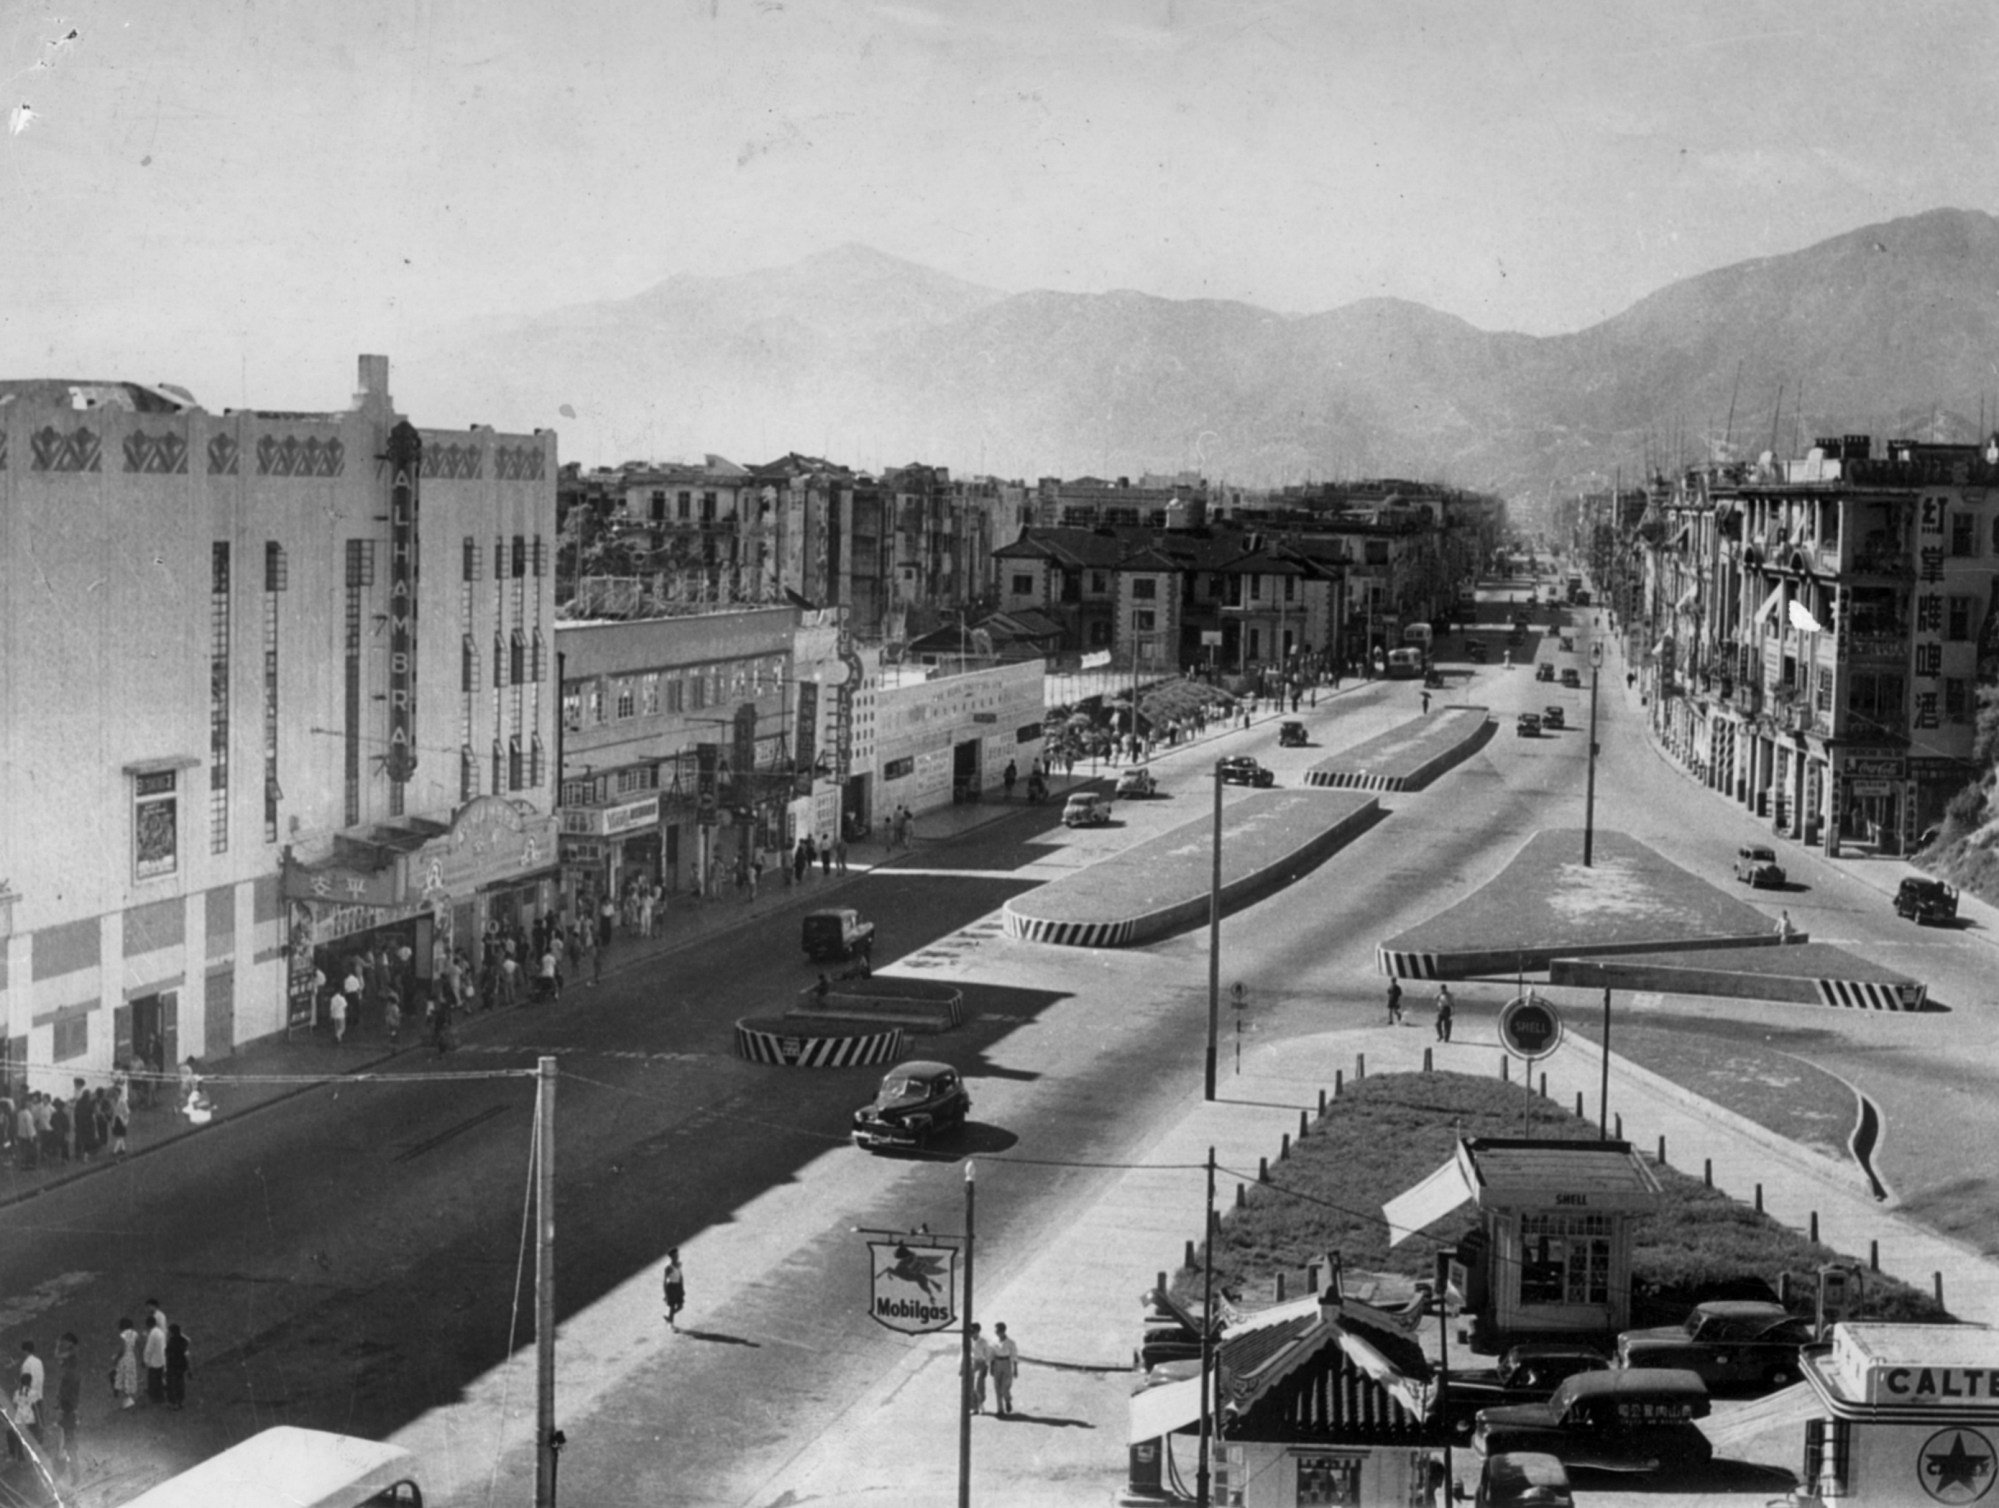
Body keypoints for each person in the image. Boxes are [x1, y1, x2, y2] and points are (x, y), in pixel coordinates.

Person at [53, 1334, 79, 1481]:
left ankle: (63, 1472)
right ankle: (72, 1473)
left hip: (67, 1415)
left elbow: (57, 1356)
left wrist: (57, 1345)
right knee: (69, 1445)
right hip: (69, 1414)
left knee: (64, 1445)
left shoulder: (70, 1356)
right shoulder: (72, 1362)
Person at [990, 1322, 1019, 1416]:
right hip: (997, 1363)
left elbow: (1014, 1355)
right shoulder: (994, 1341)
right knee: (997, 1387)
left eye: (997, 1330)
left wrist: (1015, 1369)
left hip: (1006, 1363)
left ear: (1002, 1331)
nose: (995, 1332)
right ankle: (1000, 1410)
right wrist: (991, 1366)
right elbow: (992, 1354)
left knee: (1005, 1387)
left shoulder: (1010, 1342)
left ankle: (1007, 1400)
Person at [111, 1319, 139, 1410]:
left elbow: (122, 1349)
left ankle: (127, 1399)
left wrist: (116, 1357)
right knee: (130, 1377)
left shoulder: (123, 1335)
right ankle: (129, 1398)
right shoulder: (135, 1334)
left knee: (123, 1377)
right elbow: (138, 1345)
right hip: (132, 1357)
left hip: (124, 1359)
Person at [964, 1322, 991, 1414]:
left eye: (973, 1331)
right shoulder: (968, 1340)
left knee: (978, 1386)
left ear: (977, 1331)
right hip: (971, 1363)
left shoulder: (983, 1342)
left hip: (980, 1363)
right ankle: (975, 1407)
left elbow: (988, 1354)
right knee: (970, 1387)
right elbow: (963, 1352)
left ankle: (981, 1405)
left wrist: (986, 1366)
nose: (971, 1333)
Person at [143, 1312, 167, 1405]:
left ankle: (156, 1397)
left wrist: (146, 1361)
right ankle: (160, 1396)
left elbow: (148, 1349)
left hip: (154, 1362)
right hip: (161, 1359)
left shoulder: (152, 1334)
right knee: (159, 1379)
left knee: (153, 1380)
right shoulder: (160, 1332)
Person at [164, 1324, 190, 1410]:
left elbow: (167, 1353)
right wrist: (189, 1368)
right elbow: (186, 1354)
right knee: (181, 1384)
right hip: (182, 1365)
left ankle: (173, 1403)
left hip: (172, 1366)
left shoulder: (171, 1341)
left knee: (172, 1385)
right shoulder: (183, 1341)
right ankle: (180, 1402)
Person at [662, 1249, 685, 1330]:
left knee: (680, 1306)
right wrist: (665, 1294)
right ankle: (671, 1325)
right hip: (671, 1287)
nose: (677, 1257)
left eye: (677, 1255)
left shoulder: (679, 1264)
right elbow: (664, 1281)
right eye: (675, 1256)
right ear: (671, 1257)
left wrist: (682, 1288)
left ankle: (668, 1316)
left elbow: (681, 1276)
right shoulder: (668, 1267)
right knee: (672, 1306)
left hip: (678, 1286)